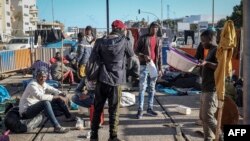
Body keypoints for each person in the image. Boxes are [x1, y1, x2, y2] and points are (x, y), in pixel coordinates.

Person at [90, 20, 134, 141]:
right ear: (121, 29)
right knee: (114, 110)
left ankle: (94, 136)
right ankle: (113, 137)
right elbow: (131, 58)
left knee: (97, 108)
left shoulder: (99, 42)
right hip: (116, 81)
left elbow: (93, 59)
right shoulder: (125, 41)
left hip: (101, 80)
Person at [18, 67, 73, 133]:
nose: (42, 78)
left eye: (44, 77)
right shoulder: (32, 84)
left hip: (35, 108)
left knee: (58, 98)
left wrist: (61, 93)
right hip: (26, 111)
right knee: (46, 102)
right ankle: (57, 127)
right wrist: (57, 96)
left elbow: (52, 89)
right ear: (36, 76)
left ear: (46, 77)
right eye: (40, 76)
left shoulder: (43, 84)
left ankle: (69, 117)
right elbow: (40, 97)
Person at [198, 29, 223, 141]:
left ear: (210, 38)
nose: (202, 43)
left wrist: (206, 63)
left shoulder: (217, 50)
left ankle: (221, 136)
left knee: (208, 117)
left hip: (211, 90)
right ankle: (208, 138)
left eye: (203, 41)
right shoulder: (210, 50)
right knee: (203, 117)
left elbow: (219, 67)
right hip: (205, 88)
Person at [135, 22, 163, 119]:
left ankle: (150, 108)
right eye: (153, 27)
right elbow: (136, 51)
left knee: (152, 88)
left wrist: (160, 68)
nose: (154, 29)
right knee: (142, 87)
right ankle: (140, 109)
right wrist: (144, 56)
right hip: (144, 65)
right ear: (149, 28)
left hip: (154, 66)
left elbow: (160, 55)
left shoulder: (159, 40)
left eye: (156, 28)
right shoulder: (143, 38)